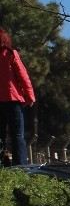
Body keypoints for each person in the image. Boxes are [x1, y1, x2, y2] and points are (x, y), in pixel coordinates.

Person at [0, 29, 36, 166]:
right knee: (17, 136)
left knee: (0, 136)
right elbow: (23, 76)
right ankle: (20, 166)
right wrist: (30, 96)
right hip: (12, 99)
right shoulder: (10, 54)